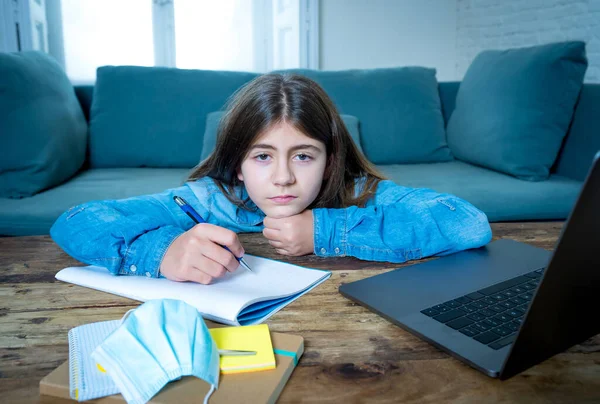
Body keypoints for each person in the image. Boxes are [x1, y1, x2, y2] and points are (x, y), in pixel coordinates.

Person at [51, 74, 492, 285]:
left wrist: (326, 229)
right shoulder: (205, 201)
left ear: (330, 158)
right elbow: (77, 219)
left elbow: (467, 224)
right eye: (262, 156)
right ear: (237, 164)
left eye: (303, 155)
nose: (283, 178)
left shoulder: (354, 192)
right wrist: (161, 251)